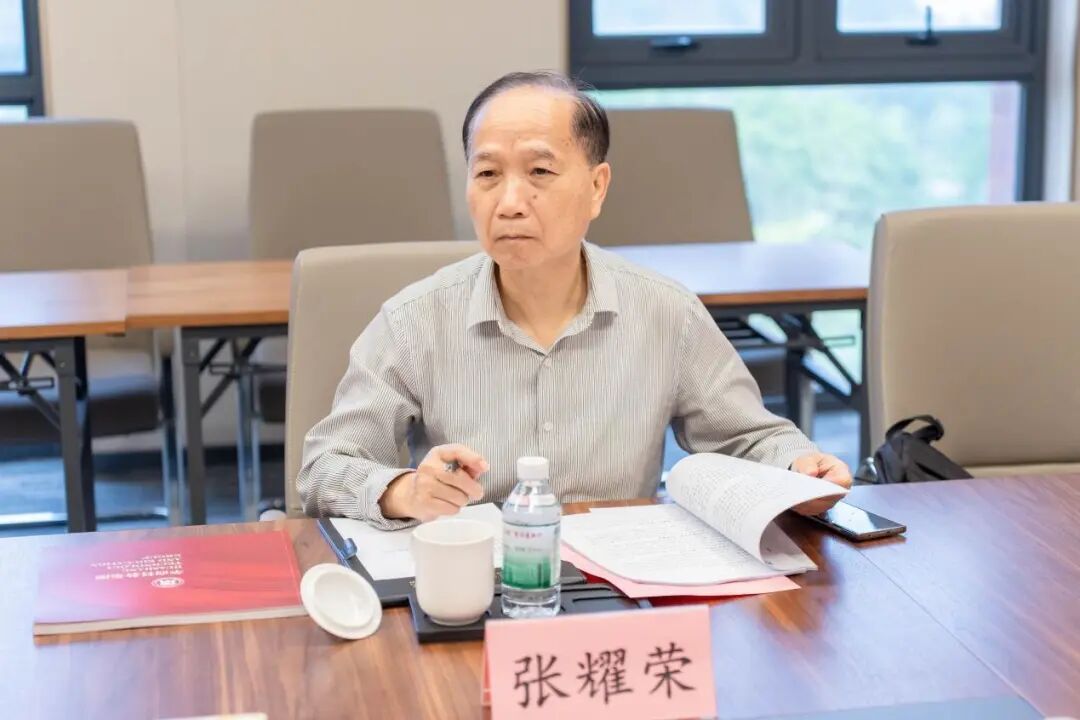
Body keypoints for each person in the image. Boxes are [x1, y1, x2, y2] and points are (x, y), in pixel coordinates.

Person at [297, 71, 851, 529]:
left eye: (539, 171)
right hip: (482, 583)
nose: (510, 202)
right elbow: (325, 467)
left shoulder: (666, 312)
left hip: (624, 580)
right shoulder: (414, 320)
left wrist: (799, 468)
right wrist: (404, 490)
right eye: (487, 173)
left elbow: (750, 438)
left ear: (596, 186)